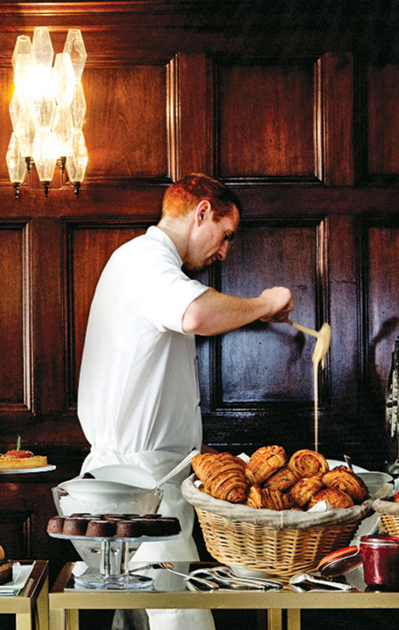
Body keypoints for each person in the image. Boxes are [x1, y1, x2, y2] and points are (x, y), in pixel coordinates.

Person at [76, 173, 294, 630]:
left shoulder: (142, 265)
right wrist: (264, 303)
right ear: (201, 213)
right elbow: (195, 312)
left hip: (129, 485)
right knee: (180, 618)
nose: (224, 252)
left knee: (134, 622)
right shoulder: (146, 260)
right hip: (139, 487)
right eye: (225, 234)